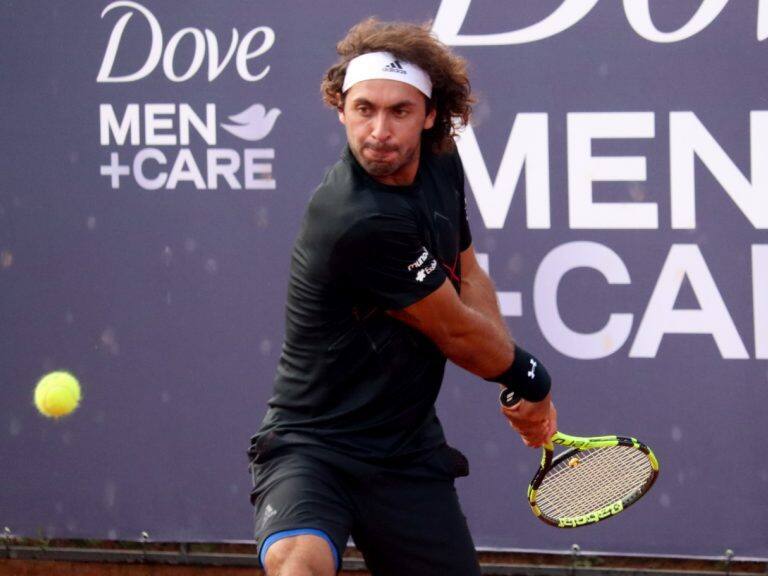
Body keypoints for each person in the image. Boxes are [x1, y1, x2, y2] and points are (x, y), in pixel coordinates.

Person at [248, 18, 557, 576]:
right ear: (340, 108)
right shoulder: (355, 218)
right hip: (315, 446)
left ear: (431, 115)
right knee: (301, 567)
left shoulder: (442, 163)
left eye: (400, 111)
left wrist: (511, 374)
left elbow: (467, 271)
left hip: (406, 450)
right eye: (364, 108)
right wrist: (530, 378)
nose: (379, 131)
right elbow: (456, 333)